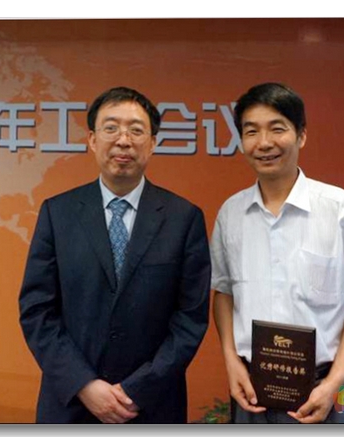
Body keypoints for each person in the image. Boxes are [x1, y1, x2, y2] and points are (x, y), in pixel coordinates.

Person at [19, 86, 211, 424]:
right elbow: (37, 310)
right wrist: (84, 384)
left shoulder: (184, 218)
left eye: (136, 130)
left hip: (151, 407)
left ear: (153, 143)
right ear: (92, 140)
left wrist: (139, 389)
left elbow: (190, 319)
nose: (123, 140)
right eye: (111, 128)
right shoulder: (58, 213)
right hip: (71, 404)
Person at [211, 82, 344, 424]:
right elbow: (223, 293)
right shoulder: (231, 214)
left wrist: (335, 382)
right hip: (252, 390)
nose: (264, 143)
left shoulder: (340, 209)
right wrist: (230, 360)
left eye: (277, 128)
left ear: (301, 135)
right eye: (251, 131)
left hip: (325, 387)